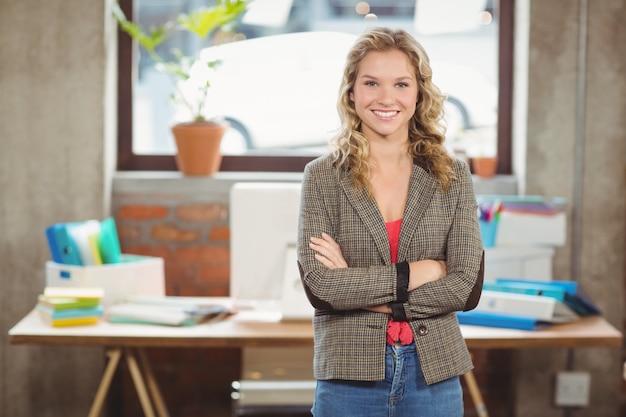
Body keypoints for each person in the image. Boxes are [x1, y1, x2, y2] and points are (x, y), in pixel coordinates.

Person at [296, 26, 484, 417]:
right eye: (371, 83)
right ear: (351, 92)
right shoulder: (322, 177)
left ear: (418, 93)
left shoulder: (453, 176)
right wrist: (424, 271)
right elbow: (322, 286)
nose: (386, 98)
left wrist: (360, 289)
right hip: (347, 374)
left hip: (434, 371)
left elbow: (465, 287)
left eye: (401, 84)